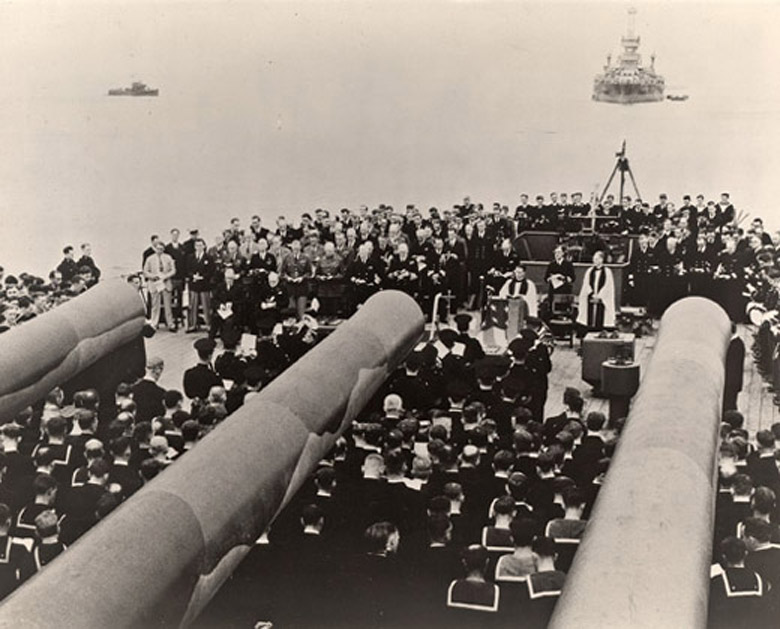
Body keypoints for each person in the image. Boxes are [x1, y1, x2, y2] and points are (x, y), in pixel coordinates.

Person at [576, 250, 616, 331]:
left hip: (602, 297)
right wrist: (592, 293)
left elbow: (608, 285)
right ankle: (590, 328)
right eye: (594, 259)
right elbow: (586, 284)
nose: (595, 261)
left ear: (601, 260)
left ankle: (599, 329)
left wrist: (599, 295)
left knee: (601, 315)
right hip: (591, 296)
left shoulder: (607, 271)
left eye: (597, 259)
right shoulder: (589, 271)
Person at [142, 240, 177, 331]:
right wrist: (154, 276)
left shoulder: (168, 258)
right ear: (155, 249)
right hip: (155, 283)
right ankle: (154, 323)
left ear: (164, 249)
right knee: (155, 305)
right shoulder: (150, 258)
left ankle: (170, 323)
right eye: (158, 249)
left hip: (165, 283)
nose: (159, 250)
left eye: (161, 249)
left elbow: (173, 270)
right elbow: (145, 271)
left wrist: (165, 276)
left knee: (167, 305)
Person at [185, 238, 214, 333]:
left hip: (204, 285)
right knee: (193, 306)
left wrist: (202, 277)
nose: (199, 247)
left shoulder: (208, 258)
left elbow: (211, 271)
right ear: (194, 247)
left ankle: (209, 325)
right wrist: (193, 276)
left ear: (204, 246)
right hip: (193, 285)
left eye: (201, 245)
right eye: (197, 245)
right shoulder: (190, 257)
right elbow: (187, 270)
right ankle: (192, 325)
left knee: (206, 306)